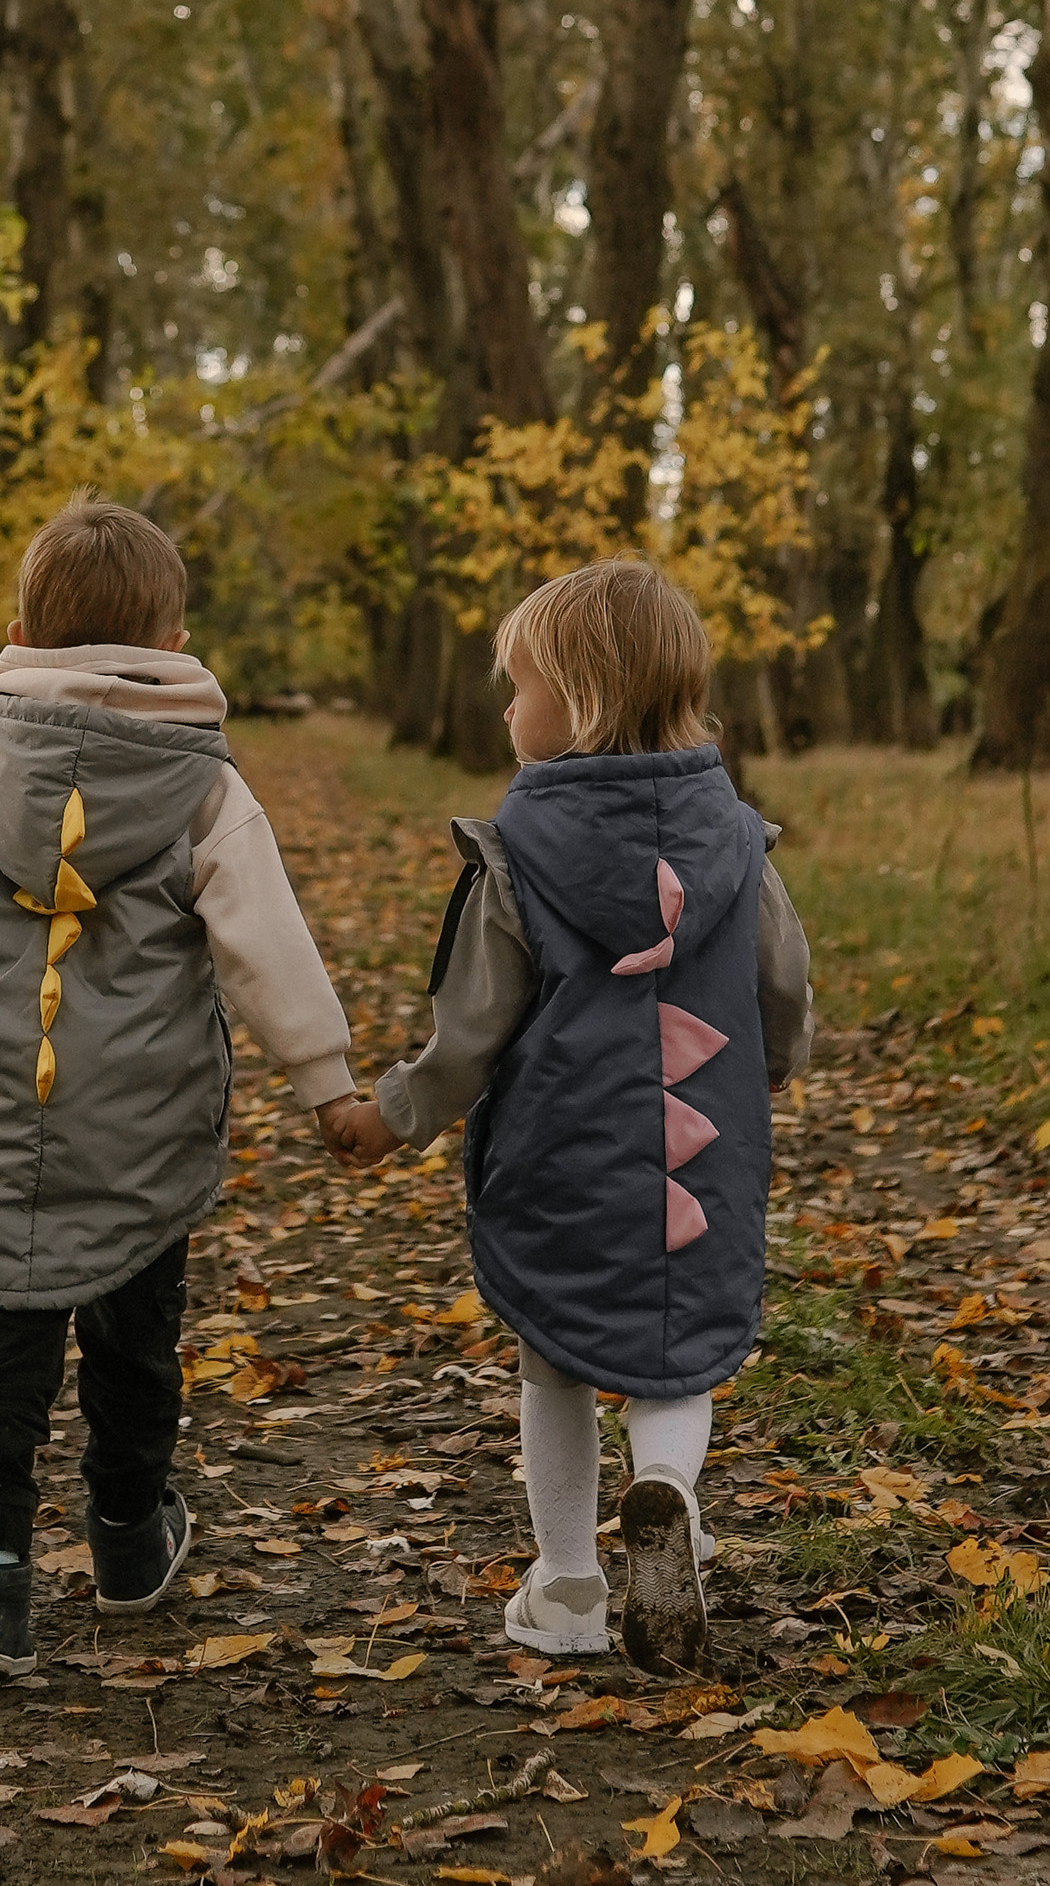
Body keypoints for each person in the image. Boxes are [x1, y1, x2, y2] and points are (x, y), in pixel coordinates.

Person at [0, 490, 382, 1686]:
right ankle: (124, 1537)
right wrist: (326, 1081)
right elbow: (266, 941)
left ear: (25, 628)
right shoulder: (200, 782)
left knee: (2, 1358)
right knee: (135, 1350)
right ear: (167, 639)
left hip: (1, 1124)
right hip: (145, 1129)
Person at [339, 556, 814, 1675]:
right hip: (701, 1156)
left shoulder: (518, 851)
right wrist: (778, 1062)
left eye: (519, 686)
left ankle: (565, 1586)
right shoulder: (735, 839)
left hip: (560, 1151)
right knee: (675, 1361)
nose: (506, 708)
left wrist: (393, 1113)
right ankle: (669, 1497)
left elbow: (472, 1026)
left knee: (552, 1352)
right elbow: (781, 978)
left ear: (582, 698)